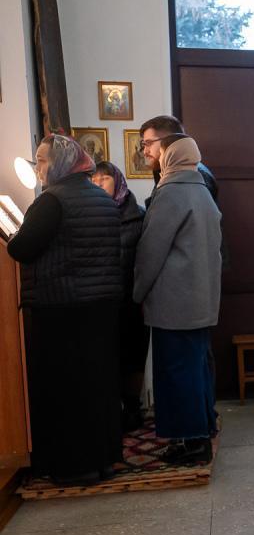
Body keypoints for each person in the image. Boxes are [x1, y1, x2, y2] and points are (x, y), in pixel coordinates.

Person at [6, 135, 123, 485]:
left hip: (61, 307)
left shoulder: (52, 200)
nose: (37, 168)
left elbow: (21, 249)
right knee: (98, 385)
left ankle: (75, 467)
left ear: (59, 163)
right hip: (101, 306)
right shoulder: (101, 198)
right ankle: (104, 460)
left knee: (66, 390)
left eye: (42, 161)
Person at [133, 134, 222, 464]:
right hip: (200, 300)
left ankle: (191, 443)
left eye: (160, 152)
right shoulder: (202, 190)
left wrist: (138, 291)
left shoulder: (171, 192)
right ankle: (202, 430)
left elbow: (151, 251)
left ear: (171, 156)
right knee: (195, 370)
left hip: (174, 303)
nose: (156, 158)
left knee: (176, 373)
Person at [92, 160, 148, 432]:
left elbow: (146, 258)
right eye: (93, 180)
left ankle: (133, 408)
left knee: (133, 357)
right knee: (108, 357)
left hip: (133, 298)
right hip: (103, 299)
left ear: (117, 181)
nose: (98, 184)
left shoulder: (138, 215)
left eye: (104, 179)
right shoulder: (92, 214)